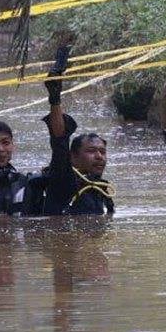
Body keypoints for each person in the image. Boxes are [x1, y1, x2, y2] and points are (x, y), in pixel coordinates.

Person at [41, 45, 116, 216]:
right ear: (73, 157)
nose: (99, 157)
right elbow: (60, 140)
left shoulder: (101, 188)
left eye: (102, 152)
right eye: (91, 151)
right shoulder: (63, 180)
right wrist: (55, 98)